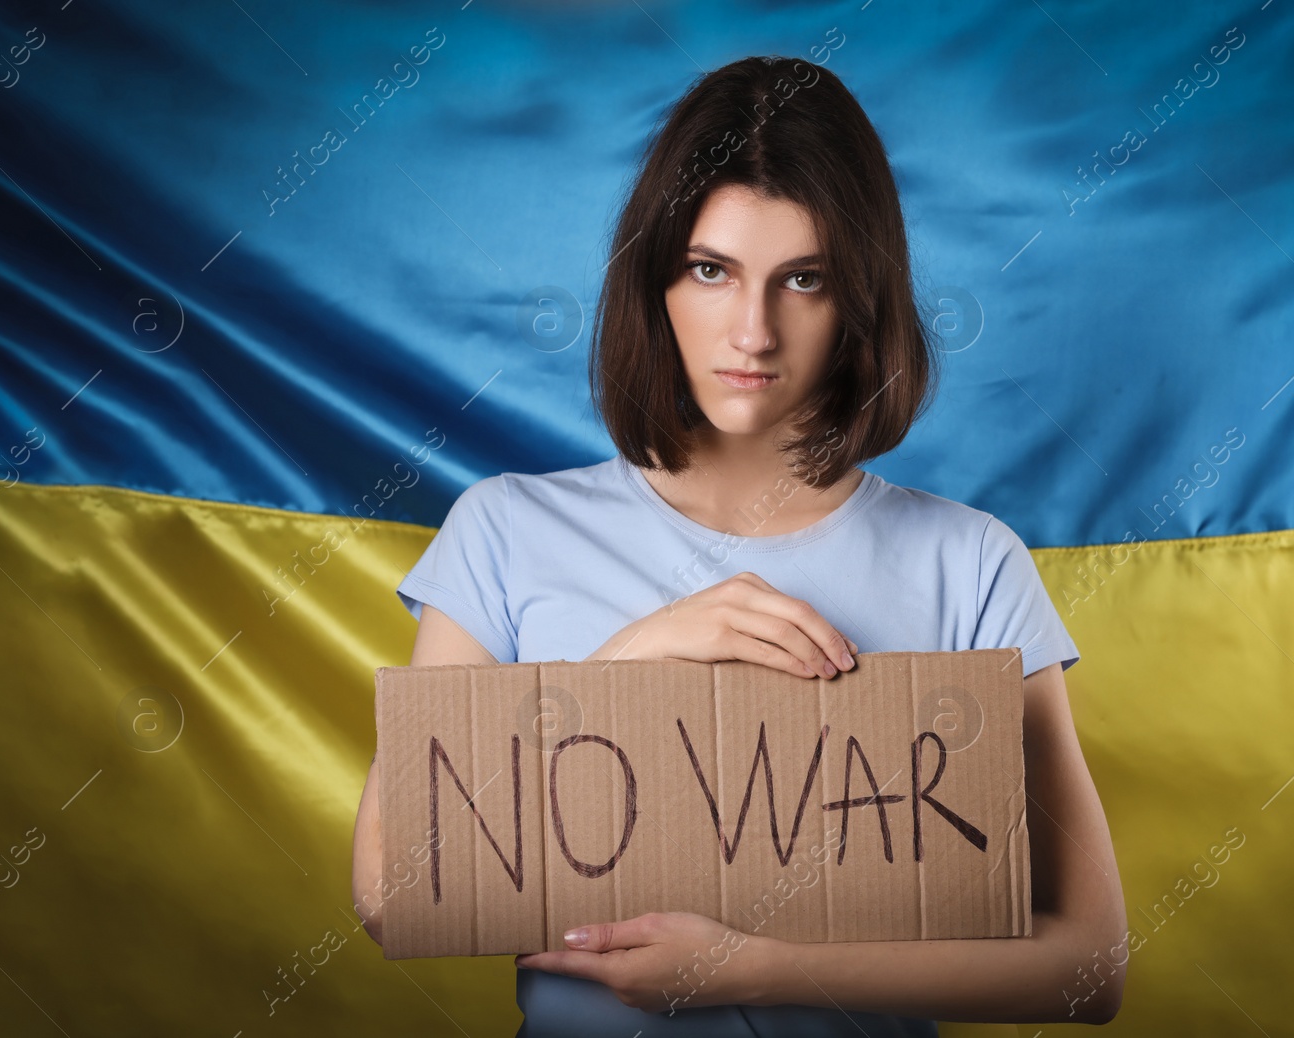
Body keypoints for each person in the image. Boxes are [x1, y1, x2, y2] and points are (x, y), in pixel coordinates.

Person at [352, 55, 1126, 1035]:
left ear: (858, 301)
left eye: (803, 280)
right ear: (656, 280)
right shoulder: (503, 530)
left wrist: (755, 967)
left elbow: (1088, 966)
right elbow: (390, 892)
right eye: (711, 270)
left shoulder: (969, 561)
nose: (752, 333)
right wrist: (623, 669)